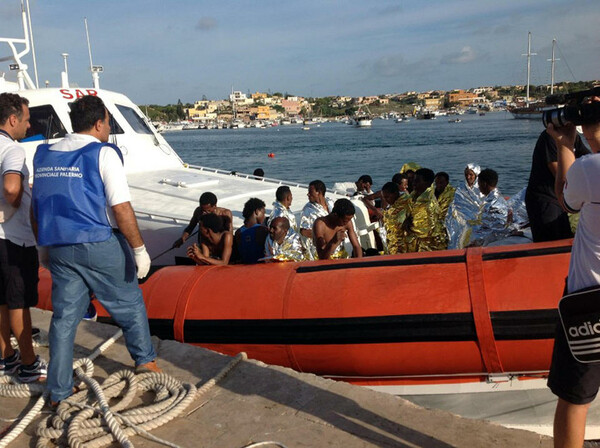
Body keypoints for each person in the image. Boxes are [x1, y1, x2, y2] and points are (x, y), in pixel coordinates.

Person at [31, 95, 159, 405]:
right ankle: (145, 362)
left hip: (59, 246)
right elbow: (121, 207)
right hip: (98, 242)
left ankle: (58, 391)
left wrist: (43, 248)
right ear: (100, 123)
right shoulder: (103, 154)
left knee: (63, 320)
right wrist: (139, 249)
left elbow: (37, 206)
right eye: (108, 123)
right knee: (129, 303)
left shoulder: (43, 154)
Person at [546, 96, 600, 448]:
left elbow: (565, 200)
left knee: (575, 397)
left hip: (589, 300)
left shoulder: (589, 168)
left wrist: (566, 145)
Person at [0, 93, 46, 382]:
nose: (29, 126)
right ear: (13, 119)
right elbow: (12, 188)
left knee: (1, 301)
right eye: (27, 120)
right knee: (19, 303)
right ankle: (29, 364)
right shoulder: (13, 150)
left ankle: (6, 357)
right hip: (13, 239)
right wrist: (7, 211)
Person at [525, 130, 589, 242]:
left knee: (564, 237)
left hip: (560, 199)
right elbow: (559, 172)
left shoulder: (573, 136)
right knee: (549, 242)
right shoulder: (550, 137)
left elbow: (588, 158)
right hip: (545, 199)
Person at [401, 168, 446, 252]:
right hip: (413, 245)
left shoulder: (428, 203)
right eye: (414, 180)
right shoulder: (413, 197)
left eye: (417, 181)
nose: (413, 183)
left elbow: (427, 229)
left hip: (428, 247)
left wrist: (408, 226)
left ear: (428, 183)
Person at [466, 168, 510, 247]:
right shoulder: (496, 198)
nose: (478, 187)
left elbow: (497, 230)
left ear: (484, 184)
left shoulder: (493, 204)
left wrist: (478, 242)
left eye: (479, 184)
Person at [445, 163, 485, 249]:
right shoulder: (461, 187)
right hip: (462, 222)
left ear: (476, 175)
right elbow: (455, 204)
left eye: (471, 175)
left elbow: (483, 206)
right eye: (466, 174)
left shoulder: (482, 189)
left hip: (478, 223)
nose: (468, 177)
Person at [299, 180, 334, 260]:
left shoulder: (331, 203)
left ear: (319, 192)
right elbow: (304, 232)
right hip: (318, 251)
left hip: (335, 248)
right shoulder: (307, 210)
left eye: (310, 192)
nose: (308, 194)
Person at [234, 197, 269, 264]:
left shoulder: (238, 232)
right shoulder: (262, 230)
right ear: (257, 211)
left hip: (246, 269)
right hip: (261, 268)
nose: (264, 216)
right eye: (263, 213)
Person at [380, 181, 410, 255]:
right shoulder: (391, 208)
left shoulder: (407, 203)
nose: (386, 200)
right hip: (393, 245)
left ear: (395, 193)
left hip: (405, 246)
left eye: (387, 197)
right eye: (384, 198)